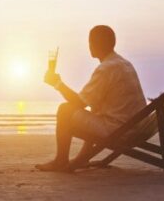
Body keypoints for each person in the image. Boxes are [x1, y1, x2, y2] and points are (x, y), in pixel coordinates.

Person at [36, 25, 146, 172]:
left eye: (90, 42)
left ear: (97, 44)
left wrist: (57, 84)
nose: (89, 46)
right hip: (135, 127)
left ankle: (60, 161)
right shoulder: (124, 63)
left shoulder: (106, 69)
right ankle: (82, 158)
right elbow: (90, 105)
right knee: (95, 111)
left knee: (64, 110)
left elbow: (79, 103)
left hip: (119, 129)